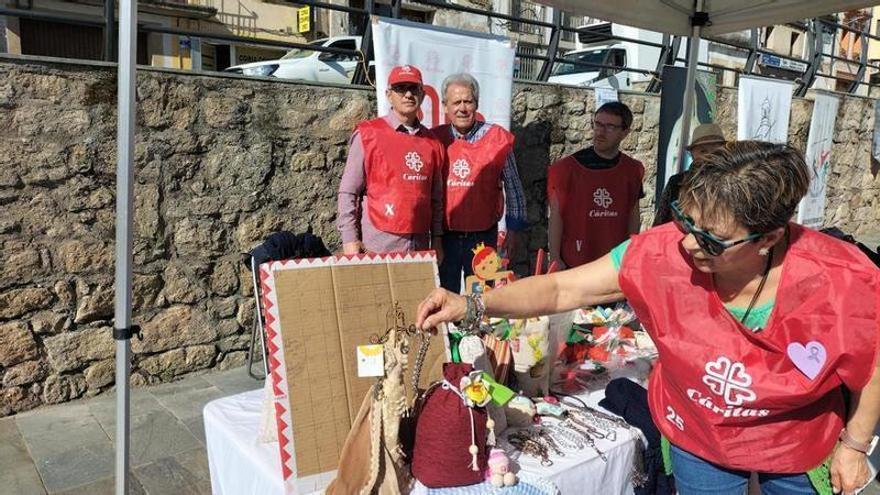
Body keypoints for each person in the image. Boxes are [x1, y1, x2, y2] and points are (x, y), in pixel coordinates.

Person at [418, 141, 880, 495]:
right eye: (685, 222)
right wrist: (472, 305)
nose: (690, 244)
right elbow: (563, 288)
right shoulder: (661, 252)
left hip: (796, 440)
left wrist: (856, 446)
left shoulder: (841, 278)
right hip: (700, 434)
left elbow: (872, 366)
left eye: (712, 240)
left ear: (769, 238)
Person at [432, 73, 527, 293]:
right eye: (456, 102)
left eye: (468, 101)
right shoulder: (434, 139)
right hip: (445, 236)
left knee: (482, 296)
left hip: (483, 236)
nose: (462, 108)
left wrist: (513, 231)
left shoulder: (498, 139)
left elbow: (514, 188)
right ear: (445, 106)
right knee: (446, 295)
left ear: (477, 104)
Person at [336, 65, 445, 258]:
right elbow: (348, 191)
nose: (408, 95)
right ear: (388, 95)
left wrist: (437, 238)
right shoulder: (368, 134)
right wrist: (349, 239)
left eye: (414, 88)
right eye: (401, 88)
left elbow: (435, 198)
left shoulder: (433, 143)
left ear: (422, 95)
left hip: (419, 248)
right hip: (377, 247)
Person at [547, 101, 644, 269]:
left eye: (610, 127)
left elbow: (633, 214)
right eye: (598, 124)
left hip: (614, 261)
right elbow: (556, 215)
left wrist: (631, 252)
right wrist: (555, 257)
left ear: (625, 132)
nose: (600, 132)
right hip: (575, 261)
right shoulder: (566, 169)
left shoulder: (632, 170)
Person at [653, 123, 727, 226]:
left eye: (716, 151)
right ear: (692, 153)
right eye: (703, 151)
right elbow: (660, 222)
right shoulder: (677, 183)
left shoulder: (731, 181)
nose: (710, 156)